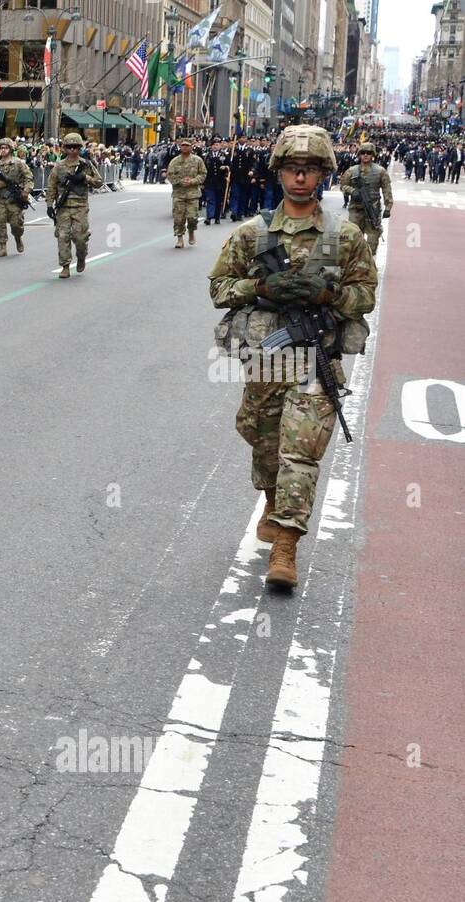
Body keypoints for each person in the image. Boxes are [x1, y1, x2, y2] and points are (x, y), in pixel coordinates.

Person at [209, 125, 378, 589]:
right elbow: (219, 289)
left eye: (310, 170)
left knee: (299, 452)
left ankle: (286, 546)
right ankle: (271, 499)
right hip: (266, 360)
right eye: (292, 169)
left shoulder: (345, 238)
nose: (300, 178)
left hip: (316, 362)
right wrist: (260, 287)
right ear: (279, 173)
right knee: (260, 438)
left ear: (323, 175)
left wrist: (332, 294)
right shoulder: (252, 235)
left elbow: (366, 296)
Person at [45, 131, 104, 279]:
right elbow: (51, 186)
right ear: (64, 148)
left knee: (80, 238)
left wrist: (84, 177)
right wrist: (49, 205)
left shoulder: (85, 164)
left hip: (80, 207)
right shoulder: (59, 167)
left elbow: (99, 182)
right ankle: (65, 266)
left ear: (80, 148)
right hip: (63, 207)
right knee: (63, 236)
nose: (72, 150)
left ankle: (81, 256)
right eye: (69, 147)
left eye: (75, 147)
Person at [339, 142, 393, 256]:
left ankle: (368, 261)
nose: (365, 155)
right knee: (352, 236)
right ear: (359, 154)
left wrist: (388, 207)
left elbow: (386, 190)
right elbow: (342, 185)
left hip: (373, 209)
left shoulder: (380, 171)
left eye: (368, 153)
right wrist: (353, 191)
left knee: (373, 238)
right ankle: (353, 262)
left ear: (373, 154)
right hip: (356, 209)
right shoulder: (352, 171)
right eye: (363, 153)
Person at [0, 137, 31, 258]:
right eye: (1, 148)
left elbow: (28, 178)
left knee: (16, 224)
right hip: (0, 199)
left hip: (14, 200)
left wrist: (26, 191)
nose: (3, 150)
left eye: (5, 147)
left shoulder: (18, 163)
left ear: (11, 149)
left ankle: (18, 238)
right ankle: (2, 247)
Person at [167, 136, 206, 249]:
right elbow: (170, 175)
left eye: (187, 146)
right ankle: (179, 238)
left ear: (191, 147)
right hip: (179, 193)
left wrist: (193, 181)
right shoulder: (175, 161)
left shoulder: (197, 160)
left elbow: (203, 174)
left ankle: (191, 232)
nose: (184, 148)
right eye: (183, 145)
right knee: (178, 218)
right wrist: (180, 181)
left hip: (192, 194)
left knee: (192, 217)